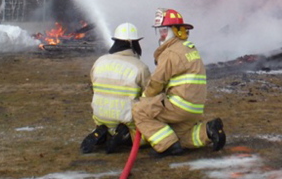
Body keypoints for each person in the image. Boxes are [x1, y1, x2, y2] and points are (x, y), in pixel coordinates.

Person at [131, 8, 226, 157]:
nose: (161, 35)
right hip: (194, 107)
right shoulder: (189, 48)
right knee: (176, 136)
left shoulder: (171, 53)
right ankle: (208, 131)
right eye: (159, 31)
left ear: (175, 31)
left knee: (139, 110)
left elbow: (157, 82)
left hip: (179, 105)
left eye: (164, 31)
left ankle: (168, 147)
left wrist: (145, 98)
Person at [80, 22, 151, 154]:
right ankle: (124, 136)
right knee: (151, 135)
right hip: (127, 121)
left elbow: (93, 87)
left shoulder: (99, 61)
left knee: (107, 121)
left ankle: (102, 131)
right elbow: (150, 97)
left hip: (101, 117)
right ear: (132, 44)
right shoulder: (140, 67)